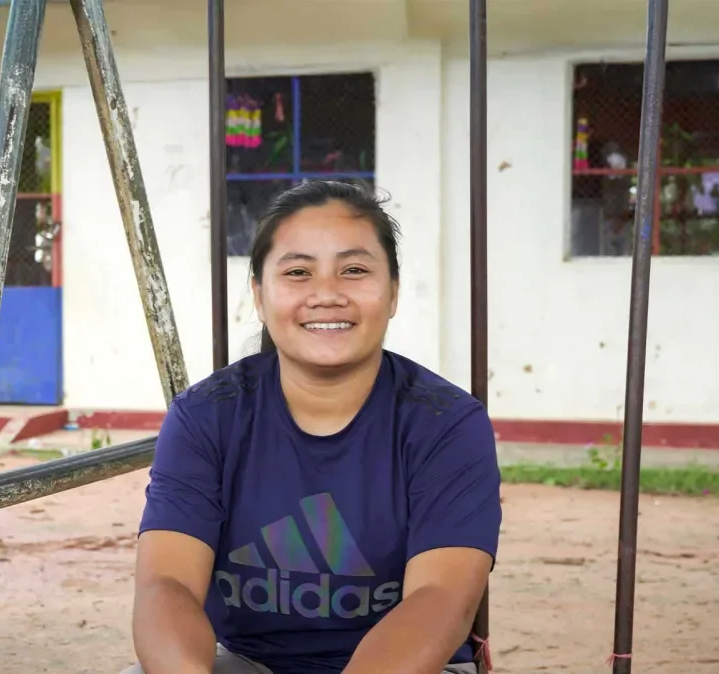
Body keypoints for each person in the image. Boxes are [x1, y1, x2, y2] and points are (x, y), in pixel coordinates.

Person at [123, 181, 503, 674]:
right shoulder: (206, 416)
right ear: (259, 295)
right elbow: (165, 585)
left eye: (355, 270)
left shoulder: (446, 424)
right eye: (298, 272)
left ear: (392, 293)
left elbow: (440, 600)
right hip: (245, 663)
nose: (326, 295)